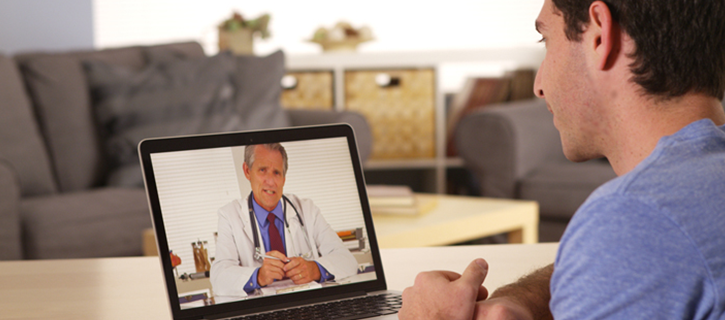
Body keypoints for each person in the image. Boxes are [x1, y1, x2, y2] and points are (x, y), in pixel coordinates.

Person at [400, 0, 725, 319]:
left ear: (600, 36)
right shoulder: (666, 223)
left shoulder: (637, 218)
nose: (539, 87)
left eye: (547, 39)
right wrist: (522, 301)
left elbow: (639, 239)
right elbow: (639, 257)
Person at [211, 143, 358, 297]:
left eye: (276, 173)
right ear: (247, 171)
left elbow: (348, 260)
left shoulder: (307, 210)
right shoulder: (229, 215)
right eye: (263, 170)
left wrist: (315, 269)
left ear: (284, 178)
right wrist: (258, 276)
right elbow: (219, 277)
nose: (271, 181)